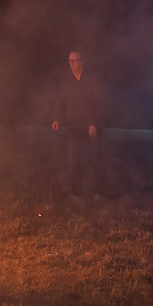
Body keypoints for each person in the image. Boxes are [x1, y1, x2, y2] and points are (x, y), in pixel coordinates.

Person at [51, 51, 106, 197]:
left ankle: (99, 192)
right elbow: (61, 101)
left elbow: (99, 104)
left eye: (75, 60)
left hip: (90, 128)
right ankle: (76, 193)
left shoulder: (91, 81)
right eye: (70, 61)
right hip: (73, 126)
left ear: (82, 62)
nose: (72, 63)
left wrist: (94, 124)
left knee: (94, 159)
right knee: (74, 160)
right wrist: (56, 118)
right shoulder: (66, 81)